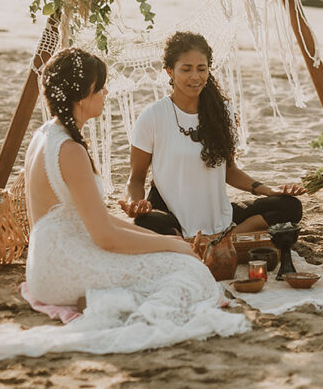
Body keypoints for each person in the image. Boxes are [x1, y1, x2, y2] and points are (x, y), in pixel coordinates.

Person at [0, 47, 248, 359]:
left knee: (181, 259)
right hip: (62, 266)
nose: (105, 92)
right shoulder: (70, 150)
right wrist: (172, 247)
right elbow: (107, 238)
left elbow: (99, 220)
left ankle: (107, 296)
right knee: (188, 271)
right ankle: (108, 302)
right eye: (100, 87)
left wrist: (165, 240)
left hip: (49, 259)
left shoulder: (47, 132)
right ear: (83, 93)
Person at [122, 31, 305, 240]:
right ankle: (198, 241)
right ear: (170, 71)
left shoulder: (221, 111)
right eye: (186, 69)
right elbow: (135, 179)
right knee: (146, 223)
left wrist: (267, 190)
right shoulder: (152, 116)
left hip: (218, 214)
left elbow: (229, 170)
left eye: (202, 68)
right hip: (170, 213)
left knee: (290, 206)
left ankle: (219, 240)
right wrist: (136, 204)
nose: (195, 77)